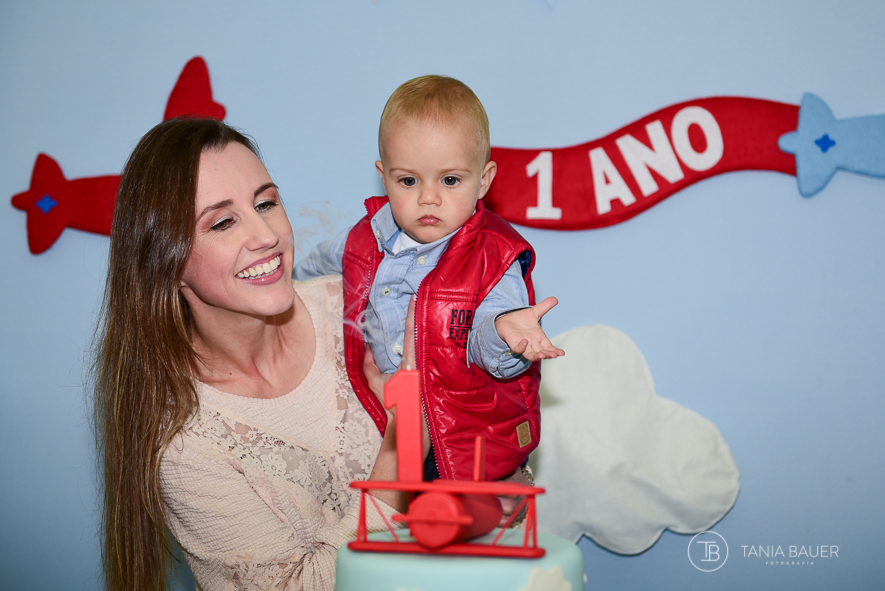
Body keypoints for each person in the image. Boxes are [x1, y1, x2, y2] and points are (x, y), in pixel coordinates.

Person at [92, 117, 419, 591]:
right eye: (222, 222)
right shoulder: (185, 445)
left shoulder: (364, 307)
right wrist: (403, 441)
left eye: (266, 203)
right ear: (166, 263)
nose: (266, 235)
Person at [294, 75, 564, 482]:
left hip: (468, 445)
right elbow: (309, 277)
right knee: (387, 518)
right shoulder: (363, 239)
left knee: (474, 521)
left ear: (483, 180)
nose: (428, 198)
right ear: (384, 177)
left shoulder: (492, 256)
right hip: (386, 429)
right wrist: (283, 297)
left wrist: (506, 332)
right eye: (409, 181)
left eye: (450, 180)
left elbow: (491, 350)